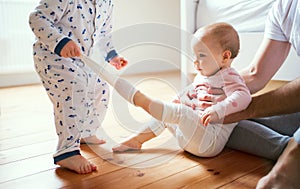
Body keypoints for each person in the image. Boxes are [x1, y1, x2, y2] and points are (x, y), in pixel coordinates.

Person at [82, 22, 252, 158]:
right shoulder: (204, 75)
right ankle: (138, 140)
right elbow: (191, 93)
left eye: (202, 56)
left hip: (209, 141)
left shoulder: (230, 76)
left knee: (180, 112)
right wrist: (179, 99)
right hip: (189, 136)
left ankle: (143, 100)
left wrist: (218, 110)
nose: (195, 62)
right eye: (194, 56)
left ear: (225, 56)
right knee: (167, 113)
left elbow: (243, 96)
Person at [29, 0, 127, 174]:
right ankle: (66, 151)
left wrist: (111, 55)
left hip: (83, 59)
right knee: (75, 91)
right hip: (53, 56)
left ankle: (86, 132)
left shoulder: (107, 3)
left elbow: (104, 33)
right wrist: (59, 41)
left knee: (101, 89)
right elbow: (37, 18)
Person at [221, 0, 300, 188]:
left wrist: (246, 109)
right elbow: (256, 74)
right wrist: (211, 88)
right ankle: (286, 144)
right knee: (219, 124)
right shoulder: (285, 7)